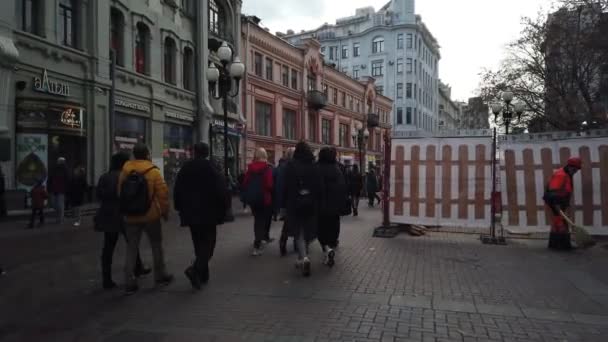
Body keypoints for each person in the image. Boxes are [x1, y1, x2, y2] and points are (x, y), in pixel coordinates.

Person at [118, 143, 173, 295]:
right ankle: (160, 276)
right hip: (151, 215)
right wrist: (165, 212)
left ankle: (129, 282)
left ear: (134, 155)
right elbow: (163, 195)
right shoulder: (153, 171)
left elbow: (120, 192)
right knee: (156, 245)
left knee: (131, 248)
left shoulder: (125, 170)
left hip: (130, 216)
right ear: (147, 154)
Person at [174, 142, 227, 290]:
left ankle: (202, 275)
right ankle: (195, 269)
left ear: (194, 152)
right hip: (209, 213)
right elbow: (221, 189)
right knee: (209, 245)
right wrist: (224, 208)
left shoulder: (185, 168)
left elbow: (177, 190)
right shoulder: (212, 168)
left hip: (190, 213)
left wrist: (179, 208)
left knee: (198, 243)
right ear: (207, 153)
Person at [95, 152, 150, 290]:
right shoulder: (128, 176)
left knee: (108, 247)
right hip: (125, 215)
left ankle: (106, 279)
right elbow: (132, 196)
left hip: (108, 215)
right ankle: (137, 269)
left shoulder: (105, 177)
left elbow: (99, 195)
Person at [282, 142, 323, 277]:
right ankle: (302, 257)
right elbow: (319, 186)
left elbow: (286, 186)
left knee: (298, 232)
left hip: (294, 203)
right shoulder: (314, 166)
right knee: (307, 229)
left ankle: (304, 257)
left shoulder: (291, 166)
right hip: (311, 203)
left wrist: (283, 205)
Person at [543, 157, 582, 251]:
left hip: (559, 203)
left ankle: (554, 245)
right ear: (569, 167)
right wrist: (557, 207)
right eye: (575, 169)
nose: (576, 171)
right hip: (555, 204)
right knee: (561, 225)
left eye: (577, 170)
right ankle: (563, 246)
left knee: (558, 224)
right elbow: (553, 192)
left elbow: (564, 190)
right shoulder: (561, 175)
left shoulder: (567, 174)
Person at [317, 147, 347, 267]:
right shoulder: (337, 169)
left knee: (321, 229)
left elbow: (317, 188)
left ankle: (327, 249)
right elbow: (343, 187)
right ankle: (332, 244)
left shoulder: (318, 168)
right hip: (335, 207)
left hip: (321, 206)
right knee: (334, 226)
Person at [242, 148, 274, 256]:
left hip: (253, 199)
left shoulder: (250, 168)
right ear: (265, 156)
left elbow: (245, 183)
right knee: (261, 221)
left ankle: (258, 241)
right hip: (264, 199)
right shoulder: (267, 168)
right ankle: (257, 245)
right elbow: (269, 185)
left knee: (257, 220)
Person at [276, 147, 296, 256]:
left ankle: (283, 242)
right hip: (294, 199)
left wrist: (281, 203)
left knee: (287, 223)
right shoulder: (294, 166)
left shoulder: (282, 167)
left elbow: (279, 186)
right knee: (296, 222)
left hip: (286, 200)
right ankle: (296, 244)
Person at [47, 157, 69, 224]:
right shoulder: (54, 169)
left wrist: (66, 189)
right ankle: (59, 217)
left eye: (60, 161)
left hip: (61, 190)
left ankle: (60, 219)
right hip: (53, 189)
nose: (59, 162)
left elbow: (67, 180)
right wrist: (49, 187)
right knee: (53, 204)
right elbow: (50, 178)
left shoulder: (65, 169)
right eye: (59, 161)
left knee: (60, 204)